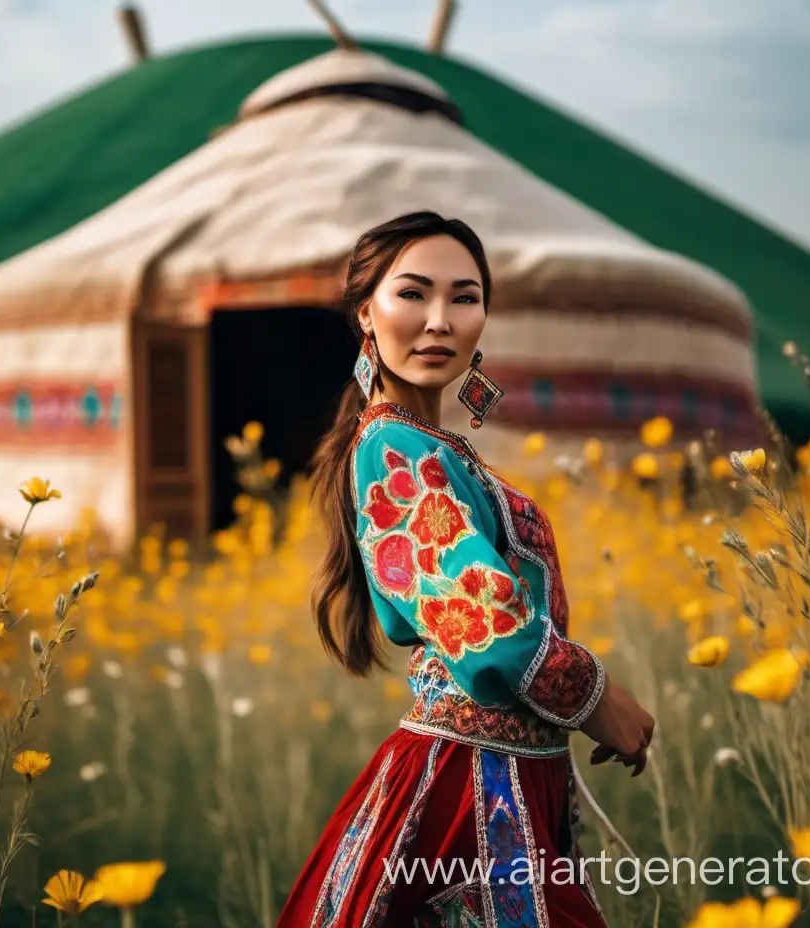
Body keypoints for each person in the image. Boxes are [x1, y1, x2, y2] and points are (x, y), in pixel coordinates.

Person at [276, 211, 655, 928]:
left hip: (505, 775)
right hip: (470, 794)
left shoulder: (433, 446)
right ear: (367, 312)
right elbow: (484, 624)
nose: (440, 321)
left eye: (465, 298)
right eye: (413, 294)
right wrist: (600, 699)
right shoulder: (394, 450)